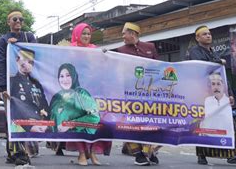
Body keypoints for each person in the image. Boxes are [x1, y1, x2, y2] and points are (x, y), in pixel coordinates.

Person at [186, 25, 236, 165]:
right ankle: (202, 154)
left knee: (228, 121)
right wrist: (219, 62)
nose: (208, 36)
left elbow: (223, 76)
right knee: (204, 124)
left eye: (209, 34)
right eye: (204, 34)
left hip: (220, 94)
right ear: (198, 38)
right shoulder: (194, 51)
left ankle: (235, 153)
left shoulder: (213, 52)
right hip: (203, 94)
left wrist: (230, 94)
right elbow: (202, 66)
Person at [53, 23, 111, 166]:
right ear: (77, 34)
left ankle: (92, 152)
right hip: (76, 92)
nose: (86, 36)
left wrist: (103, 56)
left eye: (88, 34)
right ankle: (81, 153)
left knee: (95, 120)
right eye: (83, 33)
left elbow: (101, 68)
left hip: (94, 91)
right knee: (77, 121)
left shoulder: (95, 50)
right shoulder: (69, 50)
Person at [0, 10, 38, 166]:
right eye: (15, 19)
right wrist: (1, 87)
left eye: (21, 18)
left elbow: (38, 54)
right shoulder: (3, 41)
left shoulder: (29, 37)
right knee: (13, 119)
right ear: (8, 22)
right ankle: (18, 153)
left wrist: (19, 45)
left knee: (27, 118)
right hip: (10, 84)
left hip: (29, 84)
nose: (18, 21)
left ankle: (11, 152)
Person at [116, 22, 160, 166]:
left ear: (132, 34)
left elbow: (159, 67)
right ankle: (138, 154)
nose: (122, 36)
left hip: (149, 94)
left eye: (124, 33)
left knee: (151, 123)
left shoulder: (150, 47)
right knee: (129, 123)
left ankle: (149, 151)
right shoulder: (120, 50)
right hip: (129, 94)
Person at [9, 49, 49, 161]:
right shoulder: (12, 81)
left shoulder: (36, 83)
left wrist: (45, 122)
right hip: (22, 123)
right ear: (17, 60)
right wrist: (30, 125)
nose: (26, 64)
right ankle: (17, 153)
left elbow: (44, 104)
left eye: (30, 62)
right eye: (23, 60)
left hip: (39, 123)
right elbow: (13, 107)